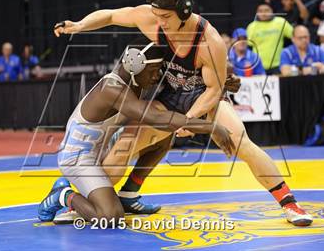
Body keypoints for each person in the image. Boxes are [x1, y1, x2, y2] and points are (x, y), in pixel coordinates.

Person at [53, 0, 313, 226]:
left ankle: (288, 202)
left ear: (185, 10)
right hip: (167, 97)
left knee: (240, 143)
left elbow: (214, 90)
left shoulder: (209, 42)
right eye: (157, 15)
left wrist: (190, 119)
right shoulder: (153, 19)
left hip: (201, 96)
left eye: (166, 16)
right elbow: (110, 15)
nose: (160, 21)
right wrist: (79, 26)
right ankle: (99, 201)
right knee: (124, 147)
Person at [38, 42, 235, 223]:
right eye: (153, 71)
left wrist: (218, 84)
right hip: (78, 157)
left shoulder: (138, 80)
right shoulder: (111, 89)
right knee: (110, 217)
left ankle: (128, 194)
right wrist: (210, 127)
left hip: (101, 143)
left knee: (163, 137)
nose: (157, 76)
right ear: (134, 66)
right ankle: (63, 195)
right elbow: (155, 118)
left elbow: (183, 88)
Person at [247, 2, 293, 74]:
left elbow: (295, 36)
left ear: (272, 11)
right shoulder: (251, 26)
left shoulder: (281, 22)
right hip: (258, 66)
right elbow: (248, 47)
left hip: (278, 65)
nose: (264, 13)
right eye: (260, 11)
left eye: (266, 10)